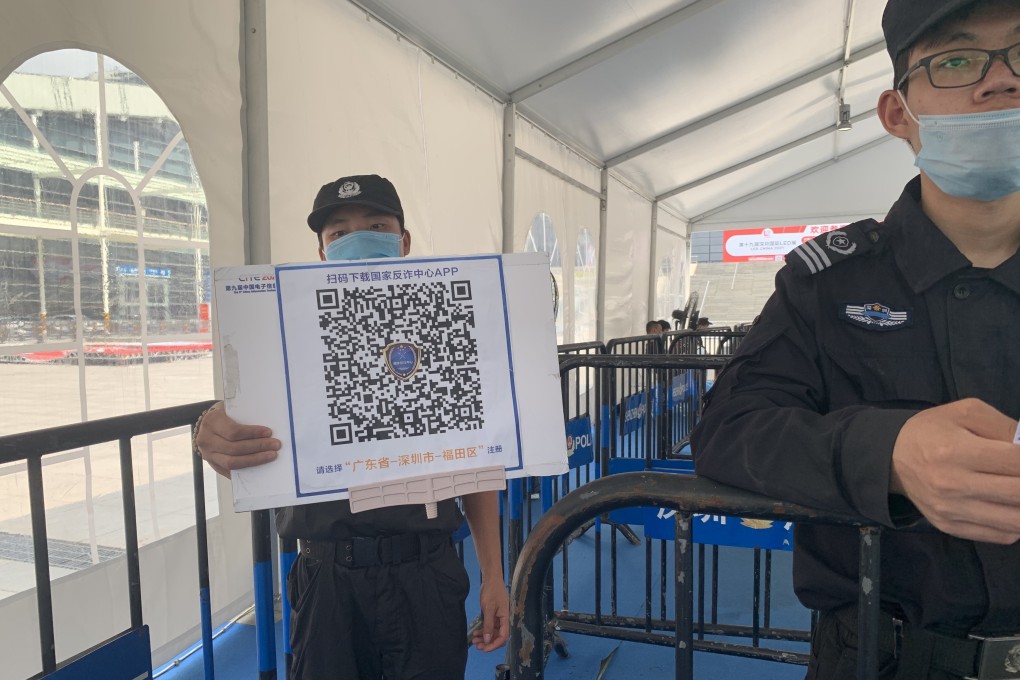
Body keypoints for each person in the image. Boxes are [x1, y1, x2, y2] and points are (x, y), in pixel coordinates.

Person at [691, 2, 1020, 678]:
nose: (1001, 81)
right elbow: (728, 429)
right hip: (881, 658)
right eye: (957, 60)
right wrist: (887, 455)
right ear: (899, 115)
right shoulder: (827, 284)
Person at [194, 174, 509, 679]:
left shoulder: (446, 332)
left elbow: (475, 465)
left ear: (403, 241)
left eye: (376, 225)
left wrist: (494, 574)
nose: (356, 239)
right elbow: (252, 441)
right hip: (325, 578)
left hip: (425, 569)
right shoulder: (284, 340)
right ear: (320, 252)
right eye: (338, 233)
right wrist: (212, 429)